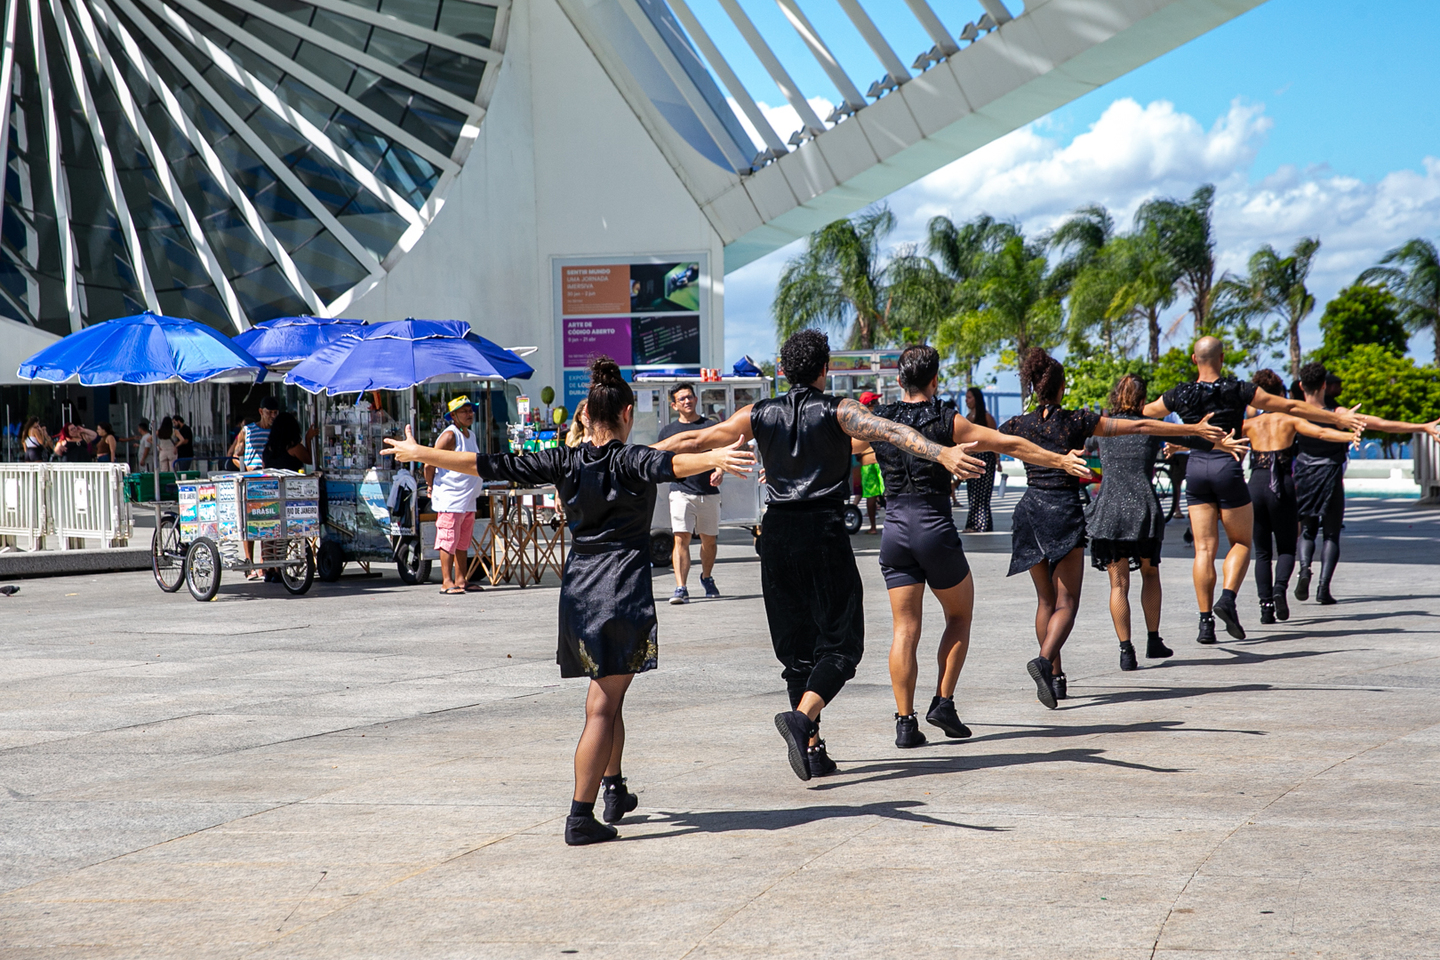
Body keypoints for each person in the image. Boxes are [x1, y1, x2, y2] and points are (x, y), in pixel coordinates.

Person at [382, 357, 753, 845]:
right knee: (602, 703)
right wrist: (716, 459)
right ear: (625, 413)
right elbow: (675, 462)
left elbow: (486, 464)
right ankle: (580, 816)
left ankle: (614, 789)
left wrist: (423, 452)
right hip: (620, 590)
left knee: (609, 692)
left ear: (587, 417)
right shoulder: (631, 459)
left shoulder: (564, 460)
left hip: (579, 591)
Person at [654, 330, 985, 780]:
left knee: (797, 652)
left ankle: (811, 749)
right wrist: (942, 452)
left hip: (776, 535)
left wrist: (622, 460)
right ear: (825, 369)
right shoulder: (840, 410)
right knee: (842, 647)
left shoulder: (758, 413)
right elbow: (894, 432)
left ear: (784, 370)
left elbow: (696, 439)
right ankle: (802, 719)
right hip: (822, 533)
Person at [857, 345, 1093, 747]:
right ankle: (943, 702)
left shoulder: (881, 422)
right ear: (934, 381)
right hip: (933, 528)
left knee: (905, 629)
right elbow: (1009, 445)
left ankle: (904, 723)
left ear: (898, 381)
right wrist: (1060, 461)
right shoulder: (948, 421)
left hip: (894, 531)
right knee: (959, 616)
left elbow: (836, 450)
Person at [1005, 349, 1228, 708]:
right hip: (1062, 510)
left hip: (1029, 511)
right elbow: (1141, 425)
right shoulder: (1078, 420)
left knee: (1045, 600)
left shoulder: (1019, 424)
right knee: (1067, 601)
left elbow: (982, 440)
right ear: (1061, 387)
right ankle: (1045, 662)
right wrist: (1193, 428)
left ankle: (1057, 679)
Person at [1142, 337, 1364, 643]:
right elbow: (1288, 405)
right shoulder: (1238, 389)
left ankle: (1205, 624)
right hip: (1226, 468)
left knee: (1203, 550)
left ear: (1194, 359)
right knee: (1242, 543)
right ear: (1222, 357)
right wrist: (1338, 417)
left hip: (1196, 470)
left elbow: (1143, 415)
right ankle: (1227, 599)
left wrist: (1181, 436)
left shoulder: (1179, 393)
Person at [1086, 375, 1246, 672]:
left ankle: (1125, 651)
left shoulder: (1102, 428)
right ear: (1142, 399)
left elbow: (1078, 447)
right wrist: (1224, 444)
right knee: (1150, 575)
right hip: (1144, 511)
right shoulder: (1151, 428)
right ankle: (1153, 639)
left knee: (1118, 584)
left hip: (1109, 511)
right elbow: (1197, 441)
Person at [1290, 362, 1438, 605]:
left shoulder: (1295, 413)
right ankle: (1323, 588)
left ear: (1300, 386)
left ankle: (1304, 569)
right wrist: (1421, 427)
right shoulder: (1338, 413)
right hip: (1330, 473)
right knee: (1331, 534)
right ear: (1325, 385)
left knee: (1307, 530)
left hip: (1304, 473)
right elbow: (1379, 423)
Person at [1242, 369, 1360, 623]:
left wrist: (1180, 444)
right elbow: (1320, 432)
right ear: (1281, 395)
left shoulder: (1248, 424)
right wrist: (1349, 435)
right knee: (1286, 548)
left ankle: (1265, 608)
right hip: (1282, 485)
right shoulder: (1289, 420)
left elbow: (1220, 442)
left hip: (1256, 484)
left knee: (1262, 552)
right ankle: (1278, 590)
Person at [657, 383, 722, 603]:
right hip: (680, 491)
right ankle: (681, 588)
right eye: (682, 399)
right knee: (681, 537)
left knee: (709, 541)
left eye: (690, 397)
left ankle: (707, 576)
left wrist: (720, 471)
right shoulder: (668, 432)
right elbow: (662, 462)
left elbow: (720, 451)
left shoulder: (709, 426)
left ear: (696, 400)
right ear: (674, 405)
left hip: (708, 491)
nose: (687, 401)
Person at [427, 396, 483, 596]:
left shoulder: (470, 435)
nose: (469, 414)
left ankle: (461, 580)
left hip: (467, 498)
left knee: (462, 541)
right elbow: (429, 462)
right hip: (450, 497)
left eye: (470, 410)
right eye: (464, 411)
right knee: (448, 539)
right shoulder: (450, 436)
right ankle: (446, 581)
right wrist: (430, 485)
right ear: (453, 415)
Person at [962, 387, 999, 531]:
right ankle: (974, 524)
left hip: (985, 459)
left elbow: (995, 440)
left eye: (969, 397)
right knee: (972, 493)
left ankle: (981, 524)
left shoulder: (986, 417)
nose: (967, 400)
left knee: (982, 494)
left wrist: (997, 460)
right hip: (972, 459)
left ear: (976, 399)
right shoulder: (967, 417)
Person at [855, 391, 886, 534]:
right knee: (888, 493)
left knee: (871, 495)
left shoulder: (858, 422)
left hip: (866, 462)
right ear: (870, 405)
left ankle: (873, 528)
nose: (879, 403)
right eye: (876, 401)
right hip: (881, 460)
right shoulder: (880, 418)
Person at [229, 398, 279, 471]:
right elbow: (236, 456)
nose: (273, 416)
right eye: (269, 412)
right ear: (261, 411)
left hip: (272, 474)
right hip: (251, 474)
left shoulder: (278, 432)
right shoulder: (247, 430)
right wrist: (246, 468)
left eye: (275, 412)